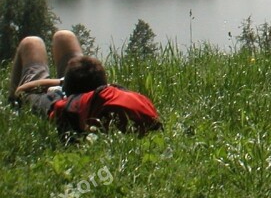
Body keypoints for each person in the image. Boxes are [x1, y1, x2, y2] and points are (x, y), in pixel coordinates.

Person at [8, 30, 161, 139]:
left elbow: (22, 91)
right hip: (87, 85)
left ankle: (12, 106)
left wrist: (61, 83)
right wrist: (65, 81)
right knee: (64, 36)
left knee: (31, 42)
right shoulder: (118, 93)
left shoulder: (64, 106)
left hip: (73, 90)